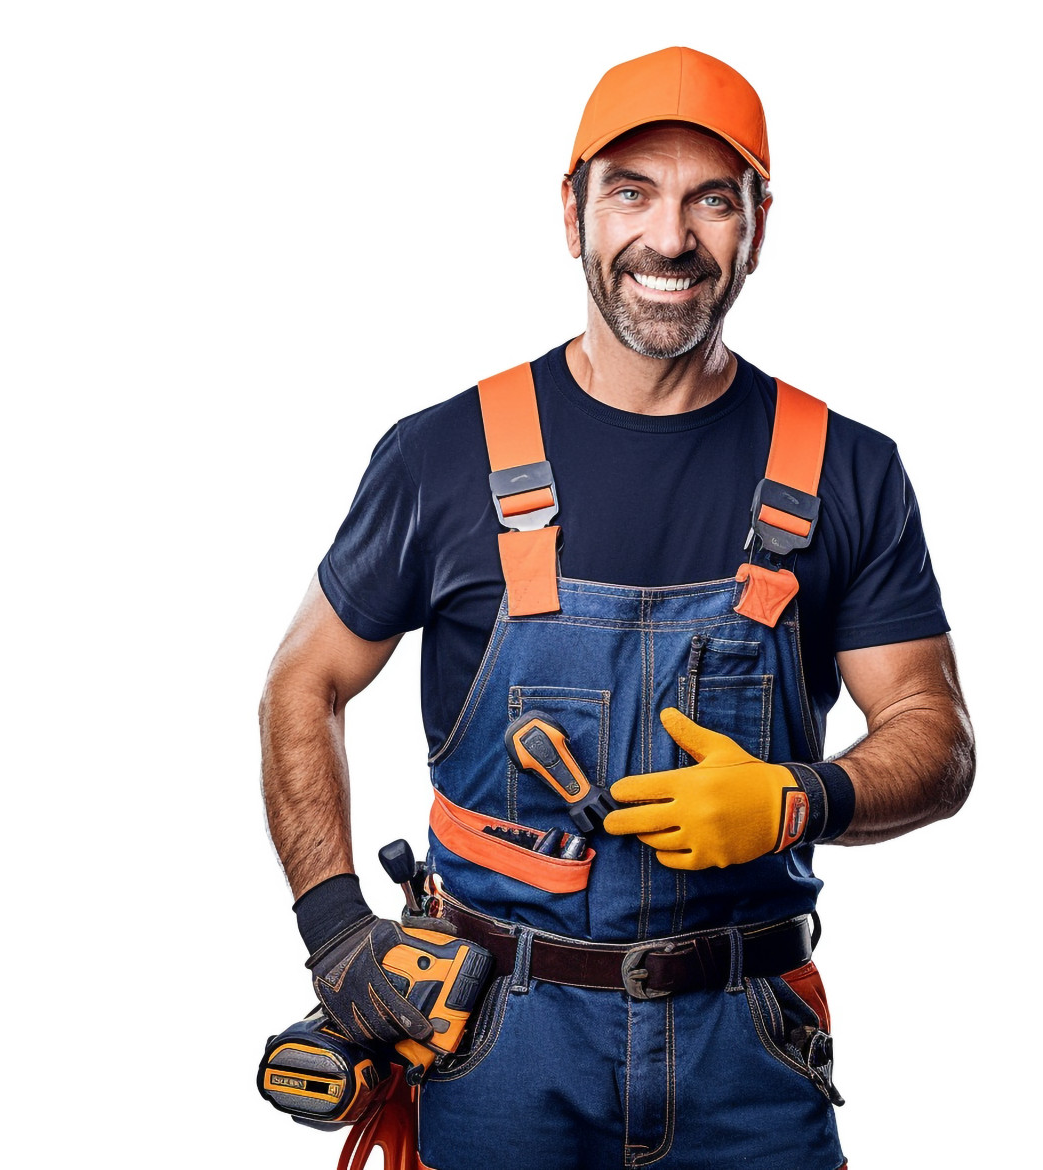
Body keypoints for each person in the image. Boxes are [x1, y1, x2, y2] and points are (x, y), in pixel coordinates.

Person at [260, 46, 975, 1170]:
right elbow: (303, 682)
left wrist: (803, 797)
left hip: (743, 1047)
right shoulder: (441, 456)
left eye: (711, 199)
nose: (670, 238)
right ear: (571, 211)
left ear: (757, 221)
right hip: (496, 1036)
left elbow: (936, 738)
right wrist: (335, 932)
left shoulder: (847, 470)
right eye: (631, 192)